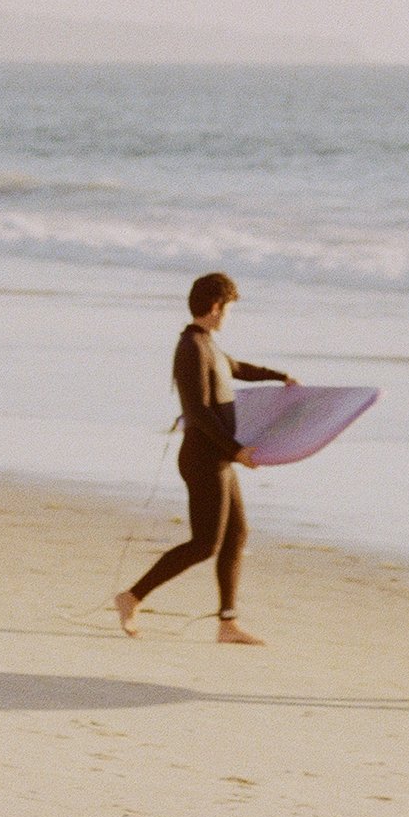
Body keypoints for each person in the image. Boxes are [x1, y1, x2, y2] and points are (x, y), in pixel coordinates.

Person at [113, 272, 294, 646]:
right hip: (203, 458)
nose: (228, 315)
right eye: (228, 308)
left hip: (217, 458)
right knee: (204, 544)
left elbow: (236, 368)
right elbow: (197, 411)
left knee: (236, 535)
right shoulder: (191, 348)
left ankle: (228, 623)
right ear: (215, 307)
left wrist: (281, 377)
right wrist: (235, 450)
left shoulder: (206, 344)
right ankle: (131, 597)